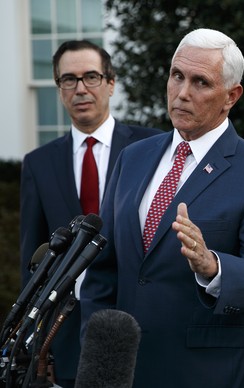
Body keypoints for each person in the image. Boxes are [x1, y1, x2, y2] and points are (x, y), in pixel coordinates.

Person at [80, 28, 244, 387]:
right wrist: (97, 354)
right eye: (177, 75)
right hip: (129, 371)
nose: (182, 93)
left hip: (212, 374)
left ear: (231, 96)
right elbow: (103, 271)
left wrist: (213, 267)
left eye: (201, 82)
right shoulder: (133, 158)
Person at [19, 40, 162, 387]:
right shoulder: (38, 164)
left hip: (142, 318)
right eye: (68, 79)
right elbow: (33, 260)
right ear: (59, 88)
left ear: (111, 83)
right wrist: (37, 346)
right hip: (65, 330)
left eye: (91, 77)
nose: (80, 88)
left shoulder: (154, 148)